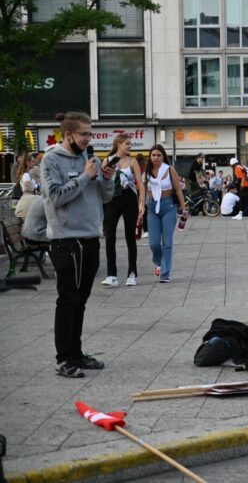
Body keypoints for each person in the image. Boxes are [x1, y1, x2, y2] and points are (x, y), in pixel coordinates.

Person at [41, 111, 115, 378]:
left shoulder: (90, 157)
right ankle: (64, 359)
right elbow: (57, 196)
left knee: (80, 301)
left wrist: (107, 178)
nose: (88, 138)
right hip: (66, 241)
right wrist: (85, 176)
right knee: (68, 300)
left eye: (90, 133)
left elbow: (104, 197)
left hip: (90, 238)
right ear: (68, 134)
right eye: (84, 134)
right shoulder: (51, 160)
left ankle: (76, 353)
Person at [100, 134, 145, 287]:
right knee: (110, 236)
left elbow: (140, 183)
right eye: (127, 143)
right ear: (119, 144)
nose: (130, 146)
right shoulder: (107, 160)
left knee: (129, 237)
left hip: (129, 198)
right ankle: (111, 275)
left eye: (130, 144)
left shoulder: (132, 161)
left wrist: (141, 203)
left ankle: (132, 273)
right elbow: (101, 181)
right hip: (112, 199)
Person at [144, 144, 187, 283]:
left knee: (167, 242)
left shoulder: (169, 170)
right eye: (153, 155)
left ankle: (165, 273)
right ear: (150, 157)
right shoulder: (147, 171)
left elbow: (178, 190)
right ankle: (158, 262)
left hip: (168, 206)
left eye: (158, 155)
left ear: (163, 157)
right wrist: (140, 206)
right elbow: (143, 191)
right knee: (154, 243)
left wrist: (183, 207)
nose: (155, 157)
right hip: (152, 207)